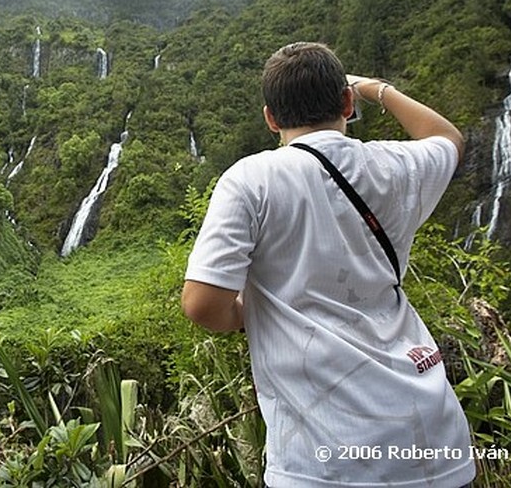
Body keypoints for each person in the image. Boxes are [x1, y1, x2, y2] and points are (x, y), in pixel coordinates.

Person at [183, 42, 475, 487]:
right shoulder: (395, 164)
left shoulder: (250, 180)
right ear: (346, 103)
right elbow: (448, 138)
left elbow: (202, 303)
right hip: (434, 444)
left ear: (271, 118)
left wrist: (247, 313)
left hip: (325, 459)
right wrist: (378, 89)